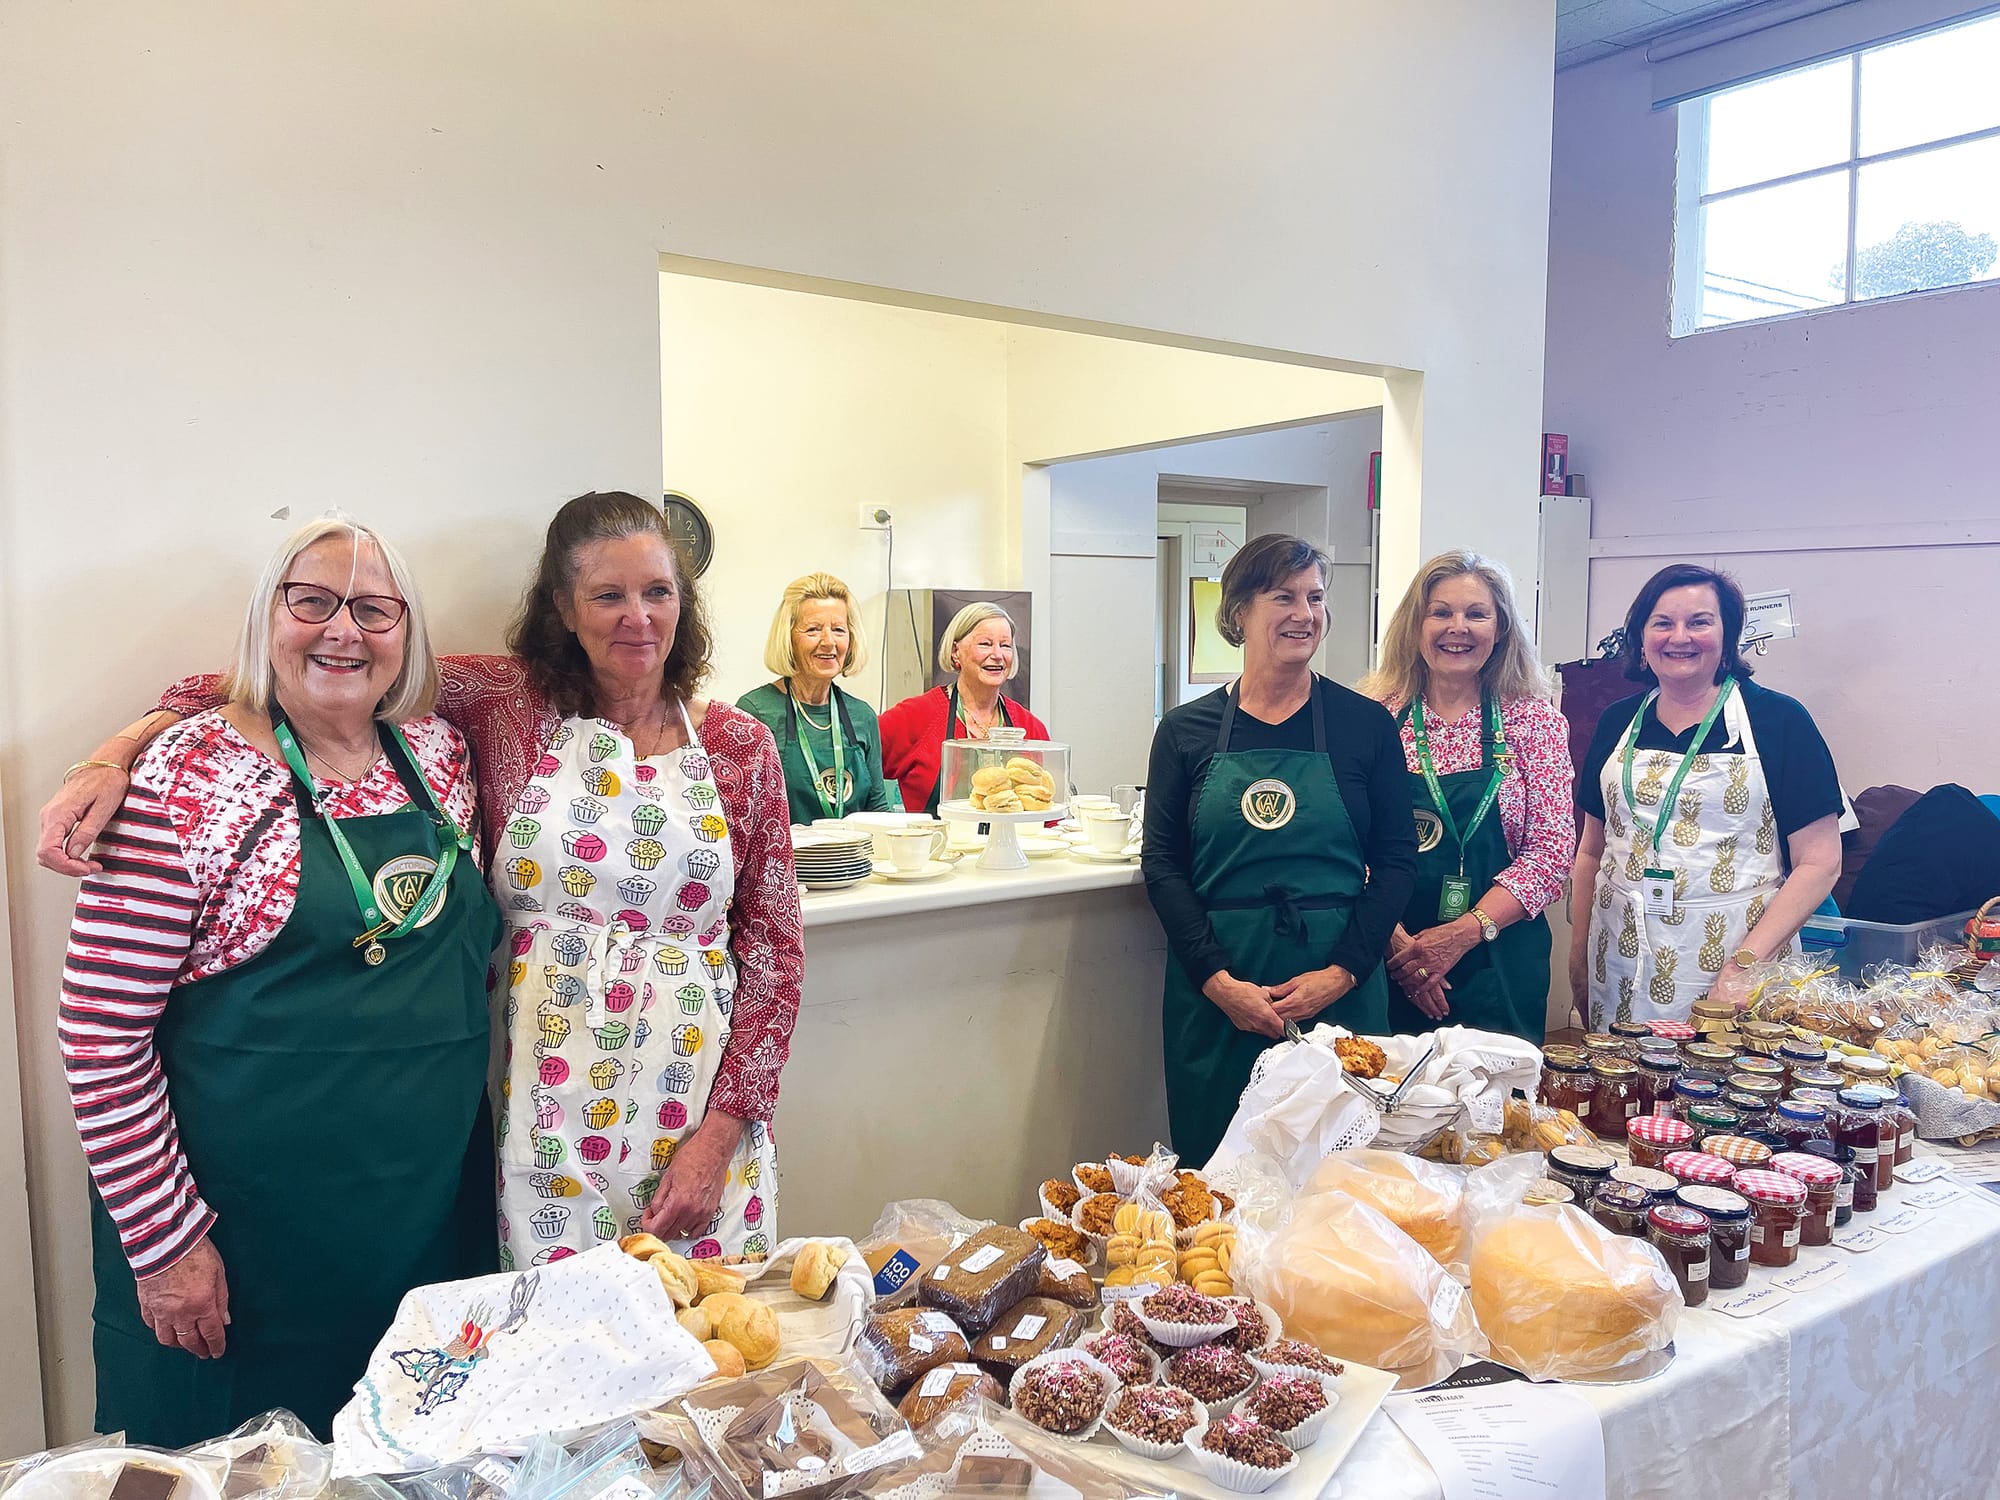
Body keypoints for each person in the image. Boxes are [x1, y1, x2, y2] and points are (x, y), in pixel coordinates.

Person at [43, 492, 804, 1267]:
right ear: (564, 611)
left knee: (711, 1347)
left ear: (684, 602)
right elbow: (289, 673)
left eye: (658, 592)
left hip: (700, 1107)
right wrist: (118, 751)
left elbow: (776, 955)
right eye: (607, 595)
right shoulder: (502, 703)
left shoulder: (744, 746)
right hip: (539, 1115)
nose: (636, 617)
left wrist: (722, 1134)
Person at [56, 519, 500, 1443]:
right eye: (312, 601)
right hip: (242, 1250)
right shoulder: (188, 775)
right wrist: (165, 1246)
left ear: (407, 633)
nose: (343, 629)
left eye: (374, 608)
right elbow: (99, 1033)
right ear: (268, 618)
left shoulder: (443, 756)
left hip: (424, 1229)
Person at [1141, 534, 1416, 1165]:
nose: (1305, 614)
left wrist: (1343, 972)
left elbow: (1398, 860)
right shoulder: (1184, 730)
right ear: (1239, 611)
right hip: (1220, 986)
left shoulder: (1364, 724)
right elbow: (1163, 865)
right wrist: (1217, 981)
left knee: (1339, 1175)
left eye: (1316, 598)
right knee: (1217, 1176)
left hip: (1336, 980)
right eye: (1283, 596)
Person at [1570, 563, 1842, 1028]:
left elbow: (1821, 861)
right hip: (1616, 959)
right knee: (1621, 1093)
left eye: (1699, 621)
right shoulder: (1617, 722)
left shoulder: (1779, 721)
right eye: (1662, 623)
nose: (1680, 637)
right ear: (1640, 638)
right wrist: (1577, 953)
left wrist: (1743, 968)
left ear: (1727, 635)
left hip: (1733, 966)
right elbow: (1592, 849)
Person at [1362, 551, 1575, 1045]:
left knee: (1499, 1116)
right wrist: (1402, 950)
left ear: (1500, 629)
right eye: (1440, 612)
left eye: (1476, 614)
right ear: (1415, 626)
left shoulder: (1533, 721)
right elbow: (1347, 842)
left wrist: (1462, 934)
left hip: (1498, 959)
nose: (1457, 627)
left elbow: (1551, 851)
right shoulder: (1373, 719)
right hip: (1387, 954)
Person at [736, 572, 894, 824]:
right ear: (788, 638)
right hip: (788, 862)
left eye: (839, 630)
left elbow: (877, 808)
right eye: (813, 629)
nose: (828, 642)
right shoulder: (755, 711)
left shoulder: (861, 715)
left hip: (851, 861)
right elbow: (742, 813)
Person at [879, 601, 1050, 814]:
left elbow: (1047, 812)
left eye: (1005, 645)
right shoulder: (916, 716)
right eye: (985, 644)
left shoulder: (1031, 728)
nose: (997, 655)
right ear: (955, 651)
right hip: (937, 845)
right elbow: (862, 775)